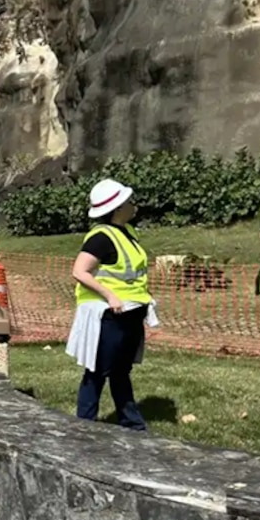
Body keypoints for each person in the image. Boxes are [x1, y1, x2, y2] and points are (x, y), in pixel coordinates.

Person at [67, 179, 158, 431]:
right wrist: (110, 296)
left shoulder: (127, 233)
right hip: (109, 315)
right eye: (128, 201)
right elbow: (80, 271)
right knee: (96, 372)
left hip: (130, 311)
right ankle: (84, 426)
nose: (133, 205)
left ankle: (131, 423)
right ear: (117, 208)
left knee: (120, 370)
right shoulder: (101, 238)